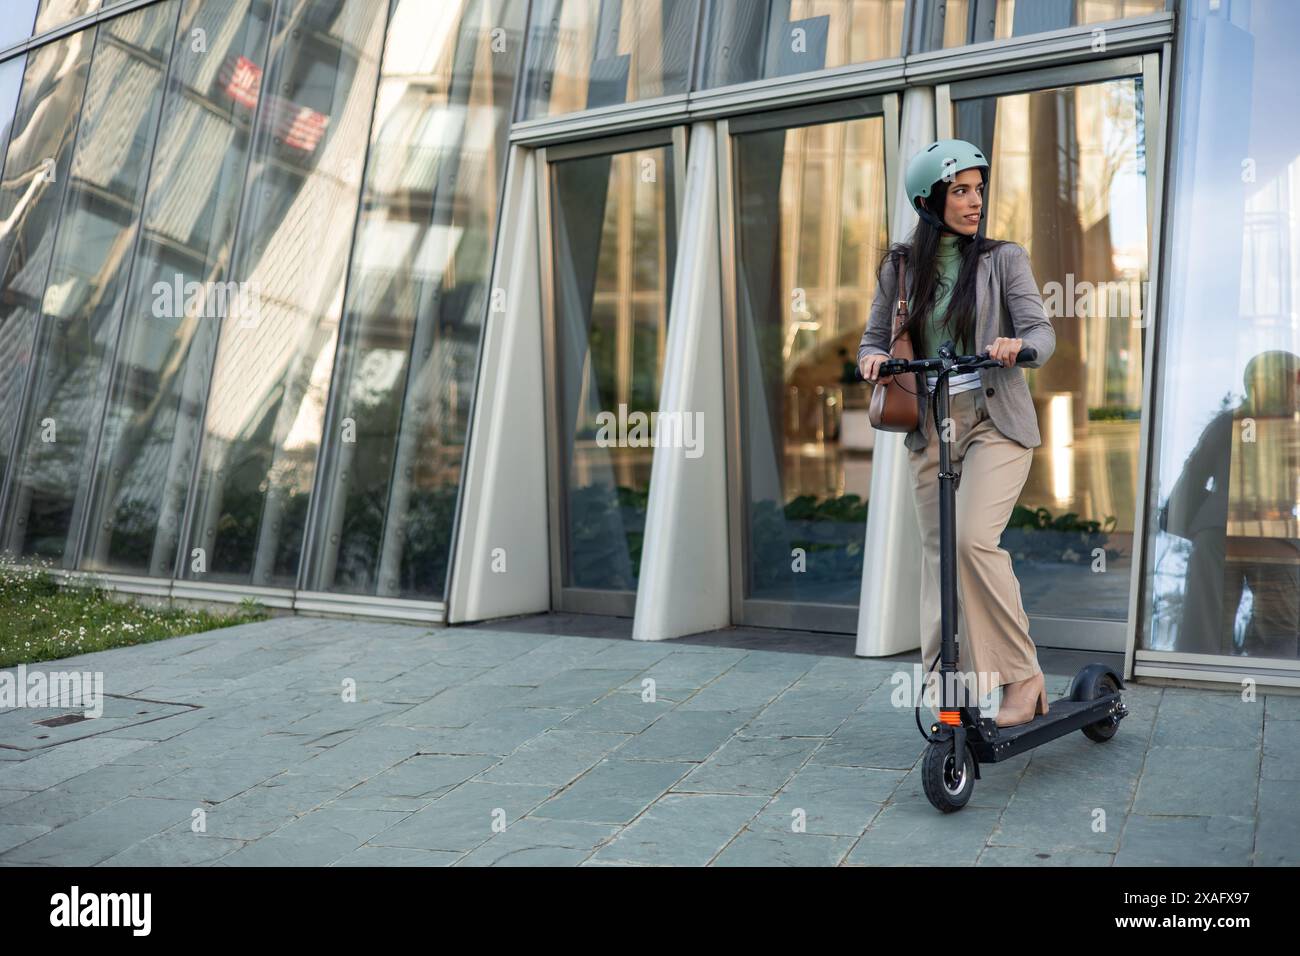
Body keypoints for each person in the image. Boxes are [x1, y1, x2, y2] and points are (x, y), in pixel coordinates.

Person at [857, 139, 1056, 728]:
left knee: (970, 540)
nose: (974, 202)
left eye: (978, 189)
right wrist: (871, 360)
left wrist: (1017, 347)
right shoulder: (900, 268)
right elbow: (873, 338)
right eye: (960, 190)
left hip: (996, 421)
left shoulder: (1004, 259)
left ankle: (1023, 678)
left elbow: (1041, 333)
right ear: (930, 200)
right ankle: (952, 684)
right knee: (939, 555)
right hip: (931, 426)